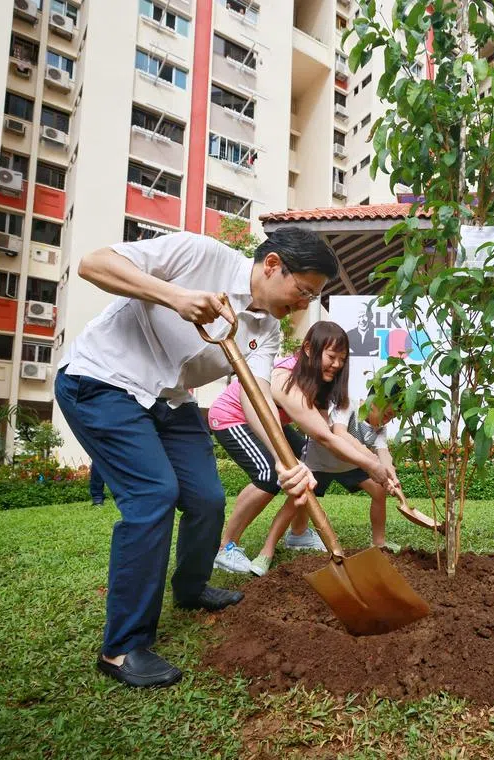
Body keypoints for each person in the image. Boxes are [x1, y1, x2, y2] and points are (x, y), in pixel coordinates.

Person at [54, 228, 337, 689]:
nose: (304, 304)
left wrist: (285, 461)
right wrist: (175, 297)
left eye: (312, 297)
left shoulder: (264, 329)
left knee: (206, 497)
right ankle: (121, 648)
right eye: (303, 290)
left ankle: (190, 588)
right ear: (271, 266)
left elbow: (257, 398)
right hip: (102, 381)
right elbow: (92, 262)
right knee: (153, 495)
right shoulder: (200, 254)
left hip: (169, 399)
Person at [211, 321, 392, 575]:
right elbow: (324, 436)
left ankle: (297, 533)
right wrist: (370, 464)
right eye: (331, 356)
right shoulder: (287, 378)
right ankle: (225, 547)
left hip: (271, 422)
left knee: (308, 469)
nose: (337, 364)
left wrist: (376, 461)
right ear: (308, 348)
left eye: (342, 359)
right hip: (233, 417)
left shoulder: (316, 382)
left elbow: (326, 434)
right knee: (269, 475)